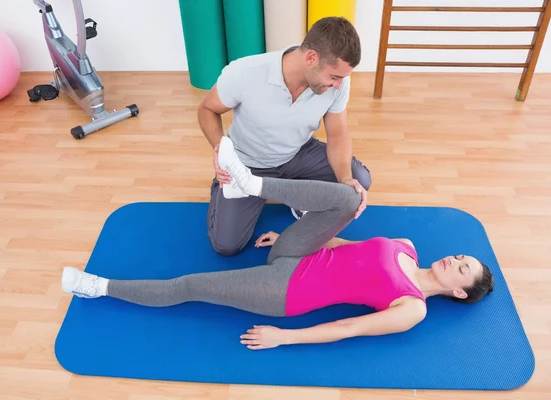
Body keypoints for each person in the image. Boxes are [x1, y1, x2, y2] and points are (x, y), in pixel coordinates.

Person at [61, 137, 494, 350]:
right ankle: (251, 184)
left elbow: (349, 328)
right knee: (349, 196)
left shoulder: (412, 306)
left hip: (287, 291)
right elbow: (348, 246)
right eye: (459, 256)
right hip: (302, 249)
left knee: (190, 286)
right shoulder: (407, 245)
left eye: (461, 268)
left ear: (458, 291)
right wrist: (295, 237)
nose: (453, 259)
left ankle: (97, 286)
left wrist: (285, 337)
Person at [197, 16, 371, 256]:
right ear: (312, 58)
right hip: (249, 164)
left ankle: (300, 200)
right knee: (226, 245)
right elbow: (207, 109)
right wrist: (221, 150)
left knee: (357, 182)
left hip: (298, 153)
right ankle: (229, 190)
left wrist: (343, 180)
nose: (339, 85)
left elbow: (338, 133)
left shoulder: (337, 83)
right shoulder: (246, 72)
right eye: (334, 77)